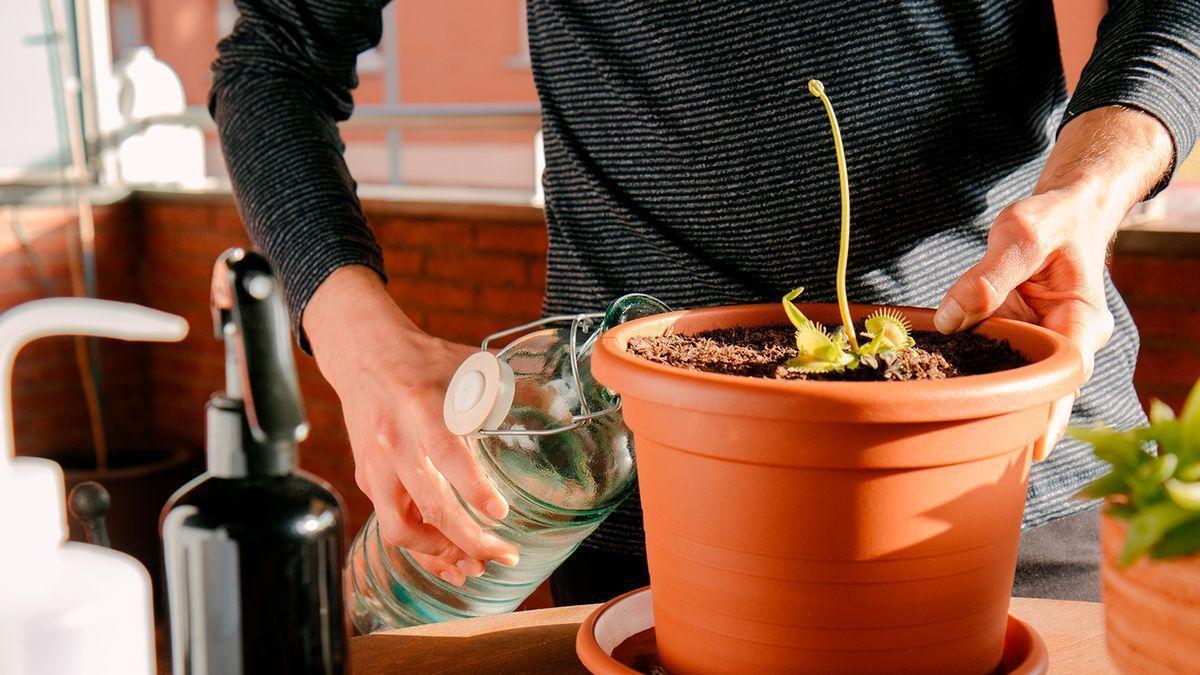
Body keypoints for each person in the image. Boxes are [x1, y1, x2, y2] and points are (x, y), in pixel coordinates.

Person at [209, 1, 1200, 603]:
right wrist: (358, 345)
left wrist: (1091, 184)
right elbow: (274, 60)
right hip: (662, 516)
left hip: (1014, 481)